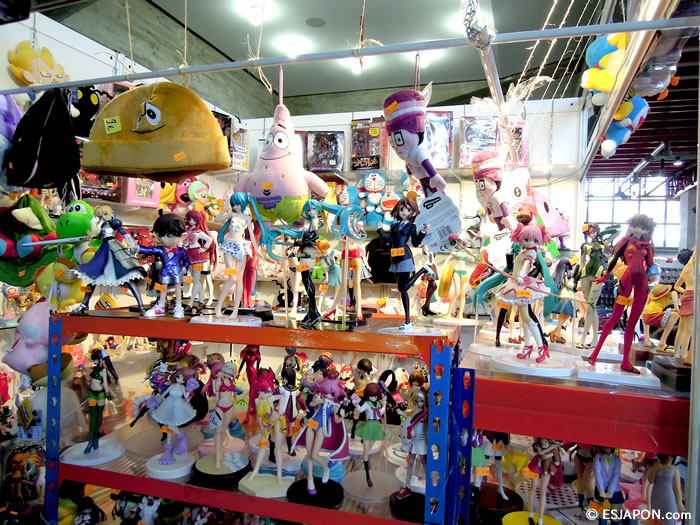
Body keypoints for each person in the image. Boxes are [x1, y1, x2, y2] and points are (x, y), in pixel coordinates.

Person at [588, 214, 656, 374]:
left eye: (642, 227)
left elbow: (650, 264)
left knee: (632, 322)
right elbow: (614, 259)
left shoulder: (647, 245)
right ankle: (595, 354)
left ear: (647, 229)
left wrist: (650, 250)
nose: (637, 229)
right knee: (615, 317)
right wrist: (605, 275)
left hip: (642, 282)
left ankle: (626, 361)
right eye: (635, 226)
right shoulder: (626, 241)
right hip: (627, 279)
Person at [377, 197, 435, 330]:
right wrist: (380, 230)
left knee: (402, 289)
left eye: (408, 210)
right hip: (395, 258)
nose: (404, 212)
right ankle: (407, 321)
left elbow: (415, 242)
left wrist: (423, 232)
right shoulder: (394, 226)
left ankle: (423, 269)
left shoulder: (411, 226)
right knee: (402, 291)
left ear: (413, 212)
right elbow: (386, 240)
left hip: (405, 257)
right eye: (402, 209)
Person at [136, 213, 190, 319]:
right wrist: (137, 248)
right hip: (165, 272)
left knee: (178, 288)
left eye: (169, 235)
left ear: (182, 236)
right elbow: (150, 250)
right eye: (161, 235)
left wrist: (184, 269)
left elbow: (187, 261)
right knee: (163, 288)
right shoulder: (161, 250)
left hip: (177, 271)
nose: (164, 239)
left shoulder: (181, 251)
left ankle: (179, 307)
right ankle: (161, 306)